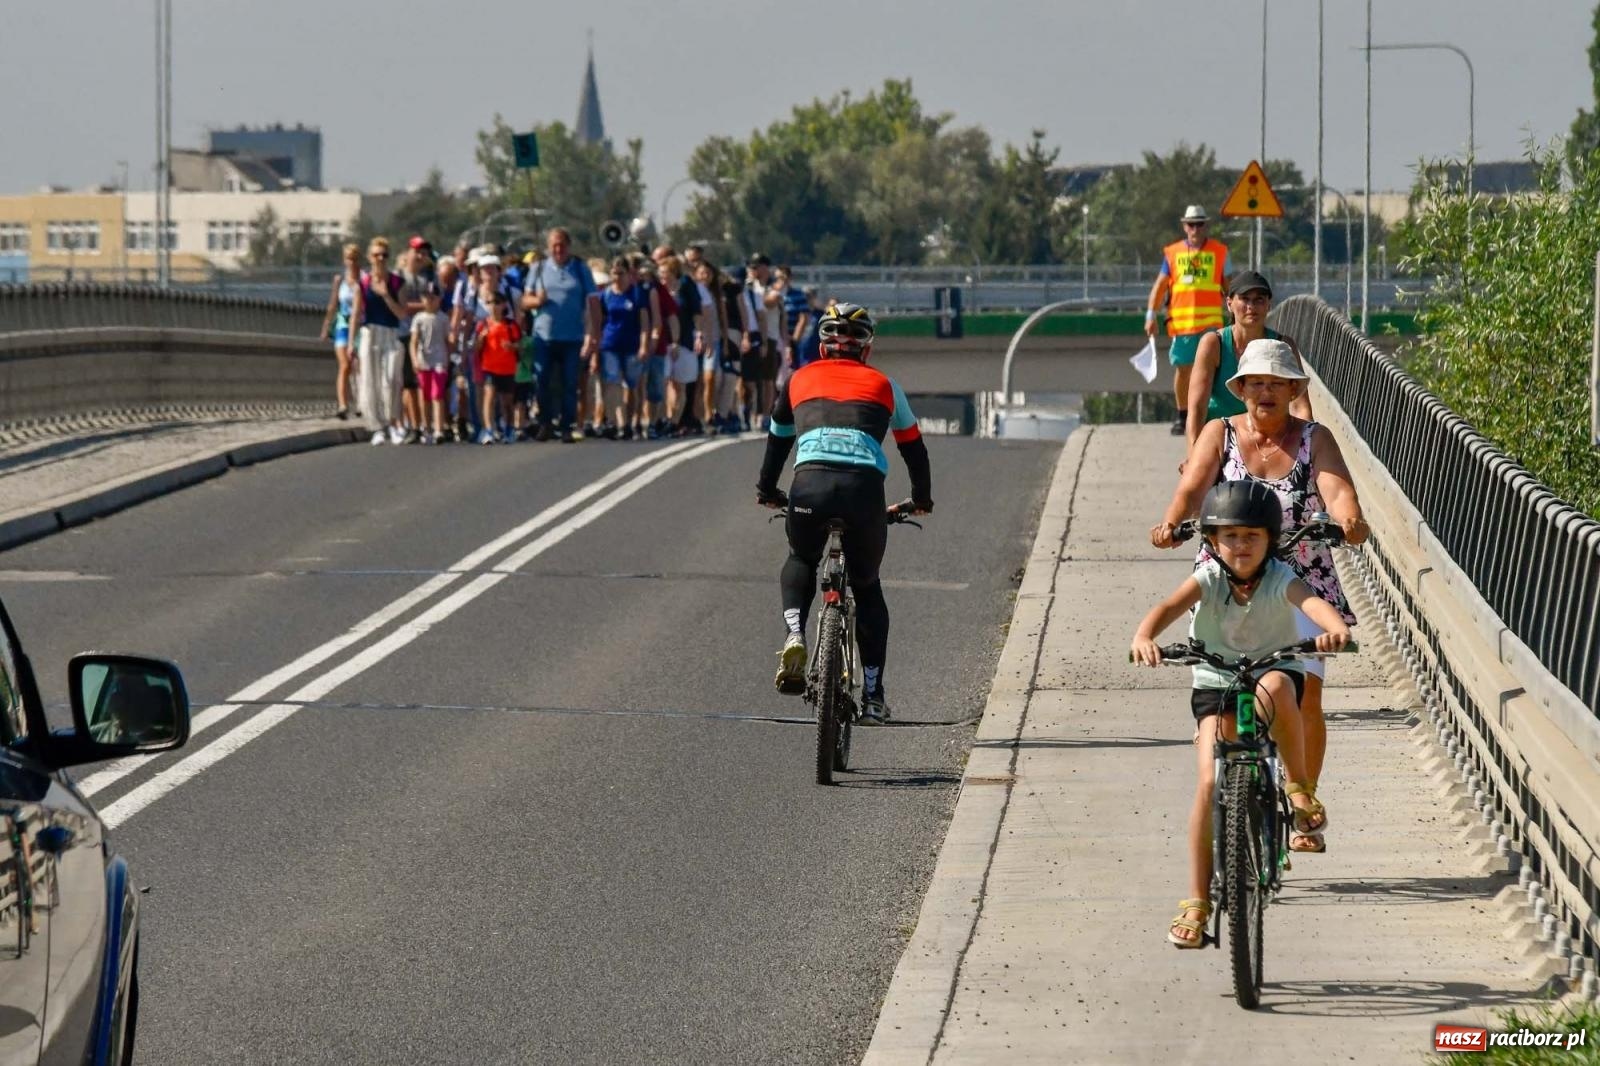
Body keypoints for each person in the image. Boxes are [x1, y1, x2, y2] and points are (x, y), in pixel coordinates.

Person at [1151, 339, 1370, 841]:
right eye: (1255, 383)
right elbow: (1192, 488)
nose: (1265, 392)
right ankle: (1229, 778)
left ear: (1294, 390)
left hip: (1299, 581)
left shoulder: (1316, 438)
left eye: (1276, 383)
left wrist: (1348, 520)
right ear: (1242, 390)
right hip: (1227, 579)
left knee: (1306, 695)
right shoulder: (1220, 432)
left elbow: (1337, 491)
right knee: (1222, 685)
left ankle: (1302, 796)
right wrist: (1170, 522)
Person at [1131, 480, 1350, 948]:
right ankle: (1196, 901)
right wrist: (1144, 636)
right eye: (1229, 536)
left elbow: (1315, 606)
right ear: (1211, 541)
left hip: (1275, 666)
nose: (1241, 545)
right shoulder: (1207, 578)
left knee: (1278, 690)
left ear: (1271, 539)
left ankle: (1299, 788)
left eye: (1252, 536)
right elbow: (1167, 607)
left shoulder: (1279, 579)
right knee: (1209, 783)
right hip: (1217, 681)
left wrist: (1333, 632)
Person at [755, 303, 933, 723]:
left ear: (822, 348)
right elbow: (914, 450)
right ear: (866, 351)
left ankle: (795, 633)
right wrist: (920, 499)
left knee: (801, 558)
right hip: (863, 491)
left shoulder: (798, 379)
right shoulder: (886, 386)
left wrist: (766, 490)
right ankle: (873, 696)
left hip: (809, 487)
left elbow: (777, 443)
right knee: (867, 586)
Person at [1184, 271, 1311, 448]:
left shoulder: (1282, 345)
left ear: (1268, 305)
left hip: (1270, 440)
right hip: (1222, 440)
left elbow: (1300, 406)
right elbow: (1197, 408)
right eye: (1244, 299)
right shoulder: (1214, 344)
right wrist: (1194, 453)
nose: (1251, 306)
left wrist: (1306, 451)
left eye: (1259, 300)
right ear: (1229, 303)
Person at [1146, 205, 1228, 435]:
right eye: (1191, 224)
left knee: (1214, 372)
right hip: (1183, 326)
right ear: (1184, 226)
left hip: (1211, 325)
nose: (1195, 229)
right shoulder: (1173, 254)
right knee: (1184, 371)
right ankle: (1183, 416)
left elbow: (1229, 285)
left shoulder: (1219, 252)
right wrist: (1150, 315)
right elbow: (1160, 286)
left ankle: (1209, 415)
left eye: (1199, 224)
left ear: (1205, 225)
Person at [351, 238, 410, 445]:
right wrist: (352, 343)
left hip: (390, 333)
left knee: (392, 379)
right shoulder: (363, 283)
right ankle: (378, 427)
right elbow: (356, 313)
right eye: (376, 255)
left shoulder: (396, 283)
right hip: (370, 333)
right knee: (370, 380)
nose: (381, 259)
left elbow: (402, 313)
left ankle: (394, 423)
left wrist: (386, 295)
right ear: (370, 257)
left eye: (384, 255)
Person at [596, 257, 648, 439]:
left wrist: (644, 345)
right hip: (610, 345)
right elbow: (600, 321)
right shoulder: (606, 295)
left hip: (632, 346)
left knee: (633, 386)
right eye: (614, 273)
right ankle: (620, 422)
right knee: (614, 383)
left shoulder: (636, 294)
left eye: (621, 273)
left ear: (628, 274)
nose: (617, 277)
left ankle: (635, 420)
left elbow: (644, 323)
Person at [473, 291, 522, 444]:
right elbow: (476, 348)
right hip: (489, 368)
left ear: (503, 305)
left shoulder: (510, 325)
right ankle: (488, 430)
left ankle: (509, 429)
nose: (493, 306)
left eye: (496, 302)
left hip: (507, 368)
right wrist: (481, 338)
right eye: (489, 303)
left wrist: (511, 346)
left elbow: (520, 345)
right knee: (489, 397)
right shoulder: (483, 325)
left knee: (507, 401)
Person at [318, 243, 361, 419]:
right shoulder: (340, 280)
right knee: (344, 365)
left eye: (353, 259)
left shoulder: (363, 280)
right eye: (347, 258)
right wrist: (326, 326)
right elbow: (333, 303)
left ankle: (360, 402)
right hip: (342, 325)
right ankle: (343, 405)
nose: (350, 262)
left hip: (359, 325)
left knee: (359, 366)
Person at [409, 282, 450, 443]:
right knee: (424, 395)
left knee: (437, 395)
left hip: (439, 359)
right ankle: (426, 427)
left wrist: (449, 359)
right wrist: (414, 359)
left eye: (433, 297)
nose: (430, 301)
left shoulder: (443, 318)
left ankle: (439, 428)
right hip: (423, 361)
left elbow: (448, 341)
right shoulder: (418, 318)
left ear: (439, 299)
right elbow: (414, 341)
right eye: (427, 297)